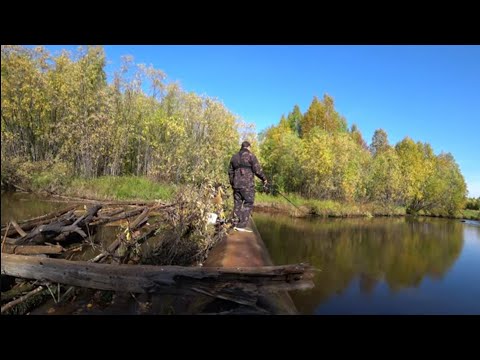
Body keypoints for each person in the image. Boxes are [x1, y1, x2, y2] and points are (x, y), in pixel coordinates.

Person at [228, 141, 268, 232]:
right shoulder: (251, 156)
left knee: (237, 204)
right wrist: (264, 179)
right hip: (247, 186)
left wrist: (232, 183)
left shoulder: (234, 157)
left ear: (241, 147)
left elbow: (230, 172)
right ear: (248, 147)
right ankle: (241, 225)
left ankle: (234, 223)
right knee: (248, 203)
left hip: (236, 185)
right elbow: (257, 170)